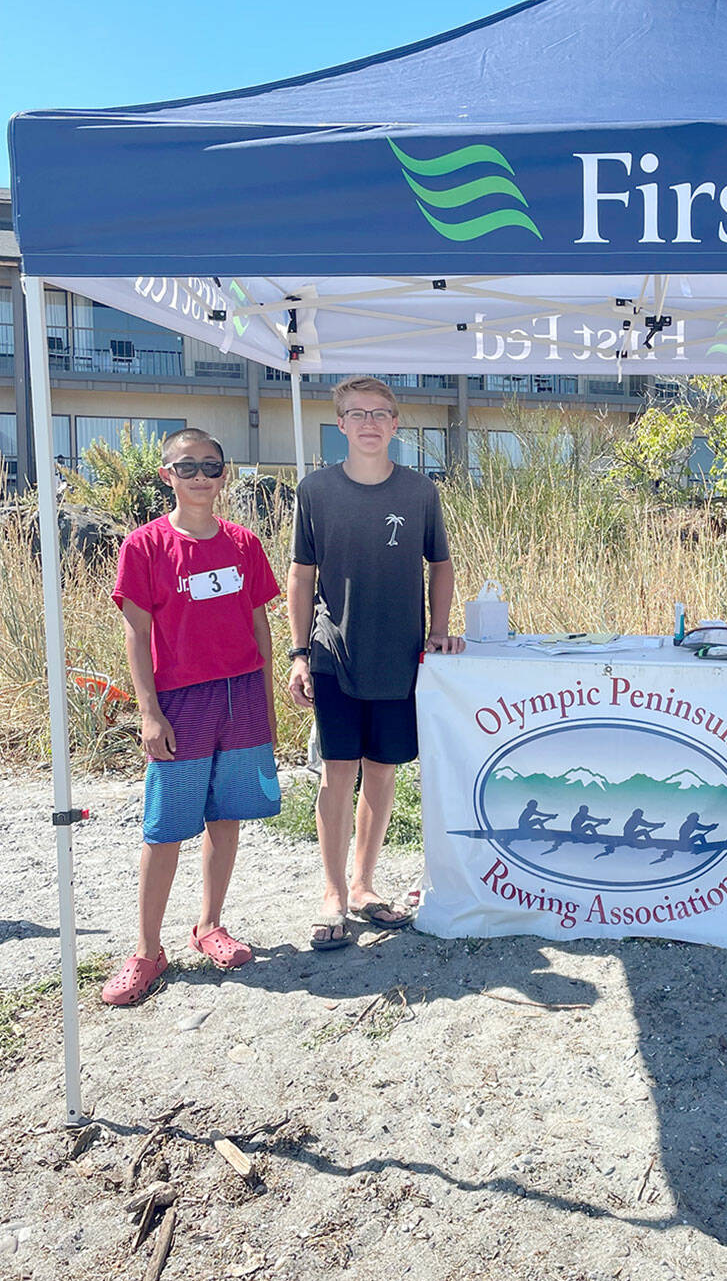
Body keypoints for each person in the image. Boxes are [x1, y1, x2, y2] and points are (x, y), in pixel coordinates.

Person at [102, 428, 281, 1006]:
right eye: (187, 467)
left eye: (211, 466)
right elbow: (136, 634)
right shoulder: (145, 546)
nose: (200, 476)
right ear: (167, 476)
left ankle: (209, 925)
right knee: (165, 828)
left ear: (224, 474)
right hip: (180, 702)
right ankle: (147, 951)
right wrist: (149, 712)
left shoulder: (244, 543)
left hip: (241, 697)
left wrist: (265, 704)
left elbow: (260, 626)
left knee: (225, 816)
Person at [288, 376, 463, 950]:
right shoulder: (315, 490)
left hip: (400, 656)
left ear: (395, 424)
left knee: (383, 770)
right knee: (338, 771)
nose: (369, 423)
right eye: (357, 413)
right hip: (334, 652)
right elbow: (301, 574)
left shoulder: (419, 491)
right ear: (340, 424)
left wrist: (438, 631)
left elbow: (440, 565)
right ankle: (333, 894)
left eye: (380, 413)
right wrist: (298, 653)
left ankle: (364, 885)